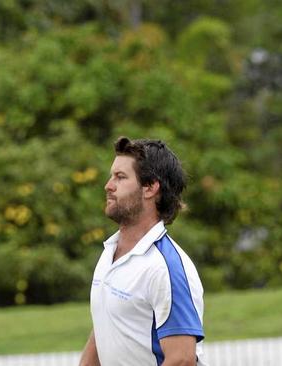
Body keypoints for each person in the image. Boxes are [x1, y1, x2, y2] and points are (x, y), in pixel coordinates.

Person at [79, 137, 206, 366]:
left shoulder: (165, 267)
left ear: (150, 188)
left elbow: (182, 360)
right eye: (112, 176)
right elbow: (107, 324)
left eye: (120, 177)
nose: (108, 185)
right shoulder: (109, 252)